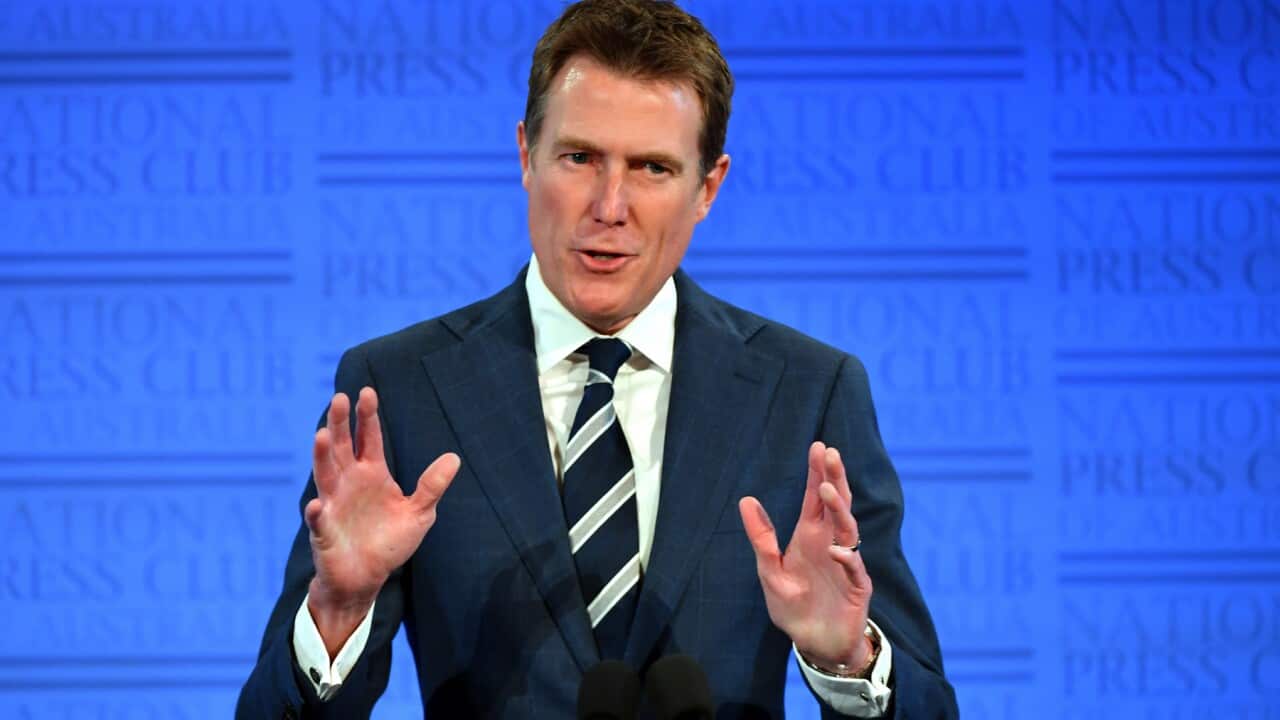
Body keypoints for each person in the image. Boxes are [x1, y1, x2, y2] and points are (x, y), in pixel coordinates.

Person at [237, 1, 956, 717]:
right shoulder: (399, 389)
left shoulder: (807, 393)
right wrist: (339, 608)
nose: (609, 206)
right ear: (526, 155)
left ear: (708, 187)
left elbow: (929, 706)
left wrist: (846, 655)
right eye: (580, 158)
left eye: (652, 168)